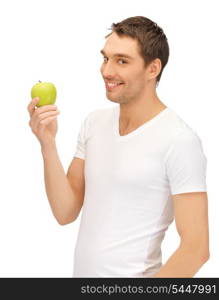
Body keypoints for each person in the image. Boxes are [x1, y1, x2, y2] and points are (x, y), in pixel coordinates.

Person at [27, 16, 210, 278]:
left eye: (122, 61)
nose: (107, 71)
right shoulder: (94, 123)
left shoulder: (179, 140)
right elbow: (65, 211)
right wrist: (47, 143)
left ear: (152, 69)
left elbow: (196, 248)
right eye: (106, 58)